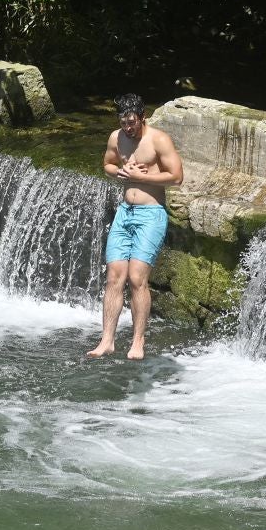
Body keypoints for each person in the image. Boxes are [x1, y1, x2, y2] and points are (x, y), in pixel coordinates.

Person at [86, 93, 183, 361]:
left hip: (151, 214)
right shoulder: (116, 138)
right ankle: (107, 340)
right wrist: (119, 171)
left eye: (132, 122)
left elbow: (177, 176)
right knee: (114, 276)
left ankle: (138, 342)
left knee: (137, 278)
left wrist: (144, 176)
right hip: (124, 213)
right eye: (123, 122)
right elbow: (107, 163)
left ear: (143, 117)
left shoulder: (158, 140)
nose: (128, 127)